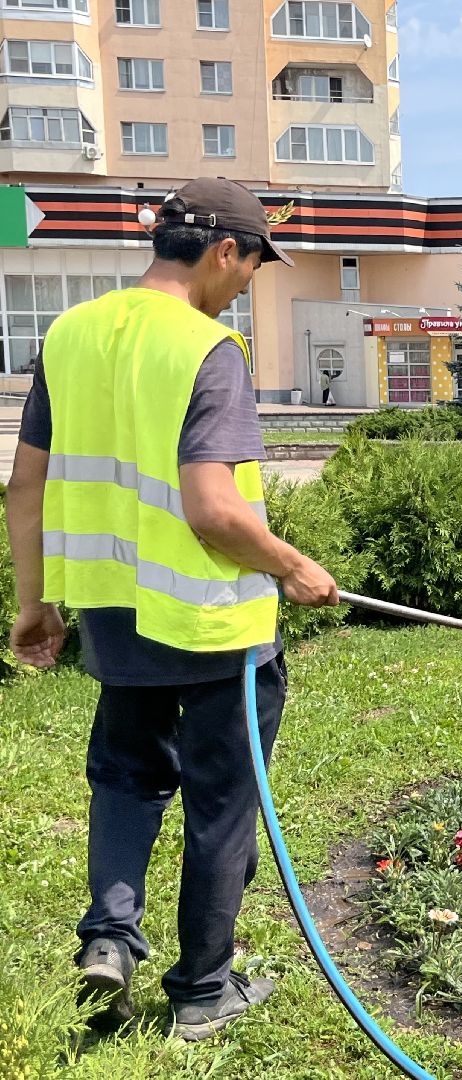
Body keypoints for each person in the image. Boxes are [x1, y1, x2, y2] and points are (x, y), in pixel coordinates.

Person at [5, 178, 339, 1041]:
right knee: (222, 801)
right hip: (215, 626)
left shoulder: (70, 334)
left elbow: (26, 488)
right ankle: (201, 991)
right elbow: (212, 509)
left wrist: (34, 605)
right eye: (253, 266)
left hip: (115, 615)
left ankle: (109, 940)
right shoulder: (208, 348)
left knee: (124, 778)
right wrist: (294, 566)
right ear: (225, 250)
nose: (247, 285)